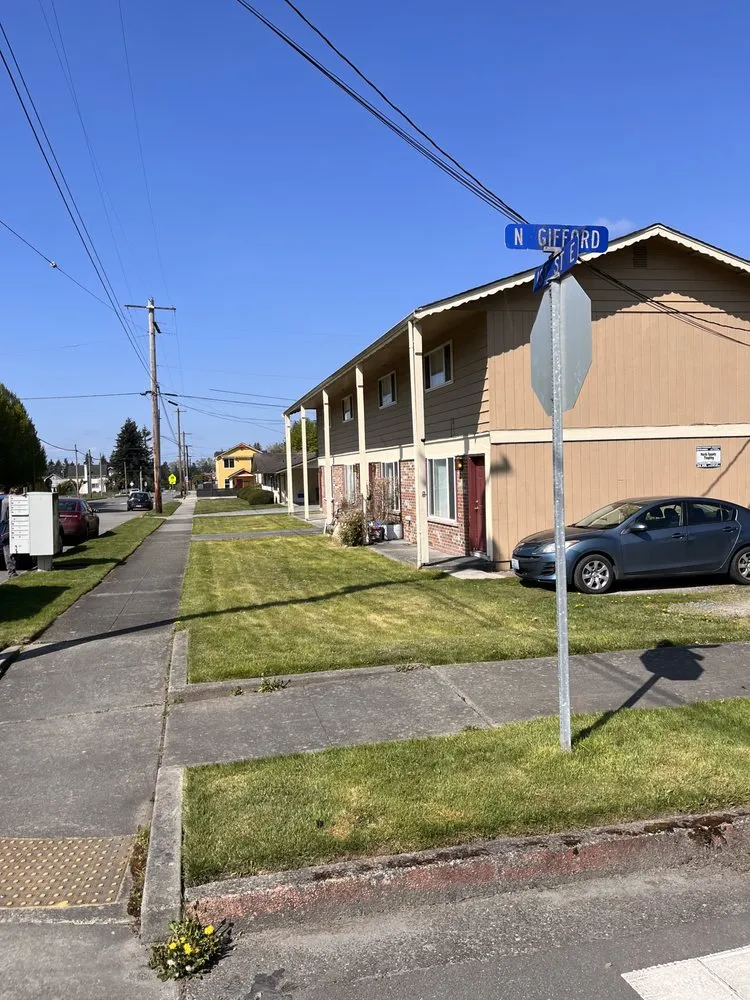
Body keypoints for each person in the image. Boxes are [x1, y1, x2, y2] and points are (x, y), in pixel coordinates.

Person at [0, 485, 17, 579]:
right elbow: (3, 518)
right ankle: (11, 571)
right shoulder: (8, 501)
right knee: (8, 550)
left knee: (7, 550)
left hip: (5, 528)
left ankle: (11, 571)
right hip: (7, 528)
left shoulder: (5, 501)